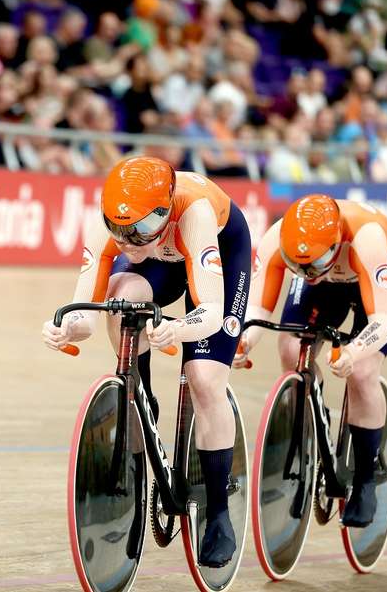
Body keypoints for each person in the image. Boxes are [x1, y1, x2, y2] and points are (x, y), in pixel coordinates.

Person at [42, 156, 251, 568]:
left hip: (219, 257)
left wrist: (178, 329)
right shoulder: (118, 225)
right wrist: (67, 328)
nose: (126, 242)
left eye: (137, 231)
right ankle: (143, 394)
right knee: (123, 293)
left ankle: (219, 515)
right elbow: (87, 309)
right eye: (118, 230)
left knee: (204, 378)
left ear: (165, 211)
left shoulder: (195, 212)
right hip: (162, 258)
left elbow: (209, 310)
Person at [236, 194, 387, 527]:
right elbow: (258, 309)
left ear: (335, 245)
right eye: (297, 266)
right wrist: (245, 341)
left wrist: (352, 350)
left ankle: (366, 476)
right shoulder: (280, 241)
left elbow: (381, 322)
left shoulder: (366, 238)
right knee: (291, 348)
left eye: (313, 265)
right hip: (332, 279)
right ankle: (311, 412)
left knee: (363, 371)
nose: (306, 273)